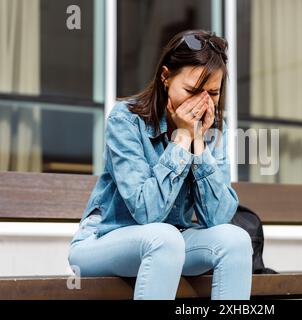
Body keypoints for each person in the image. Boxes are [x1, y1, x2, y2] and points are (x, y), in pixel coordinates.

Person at [67, 29, 253, 300]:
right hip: (103, 241)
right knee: (164, 238)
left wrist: (198, 144)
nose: (202, 103)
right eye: (191, 90)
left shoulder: (212, 130)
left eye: (212, 93)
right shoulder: (126, 121)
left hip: (173, 242)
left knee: (236, 241)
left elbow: (217, 218)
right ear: (166, 77)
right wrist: (181, 140)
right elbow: (147, 212)